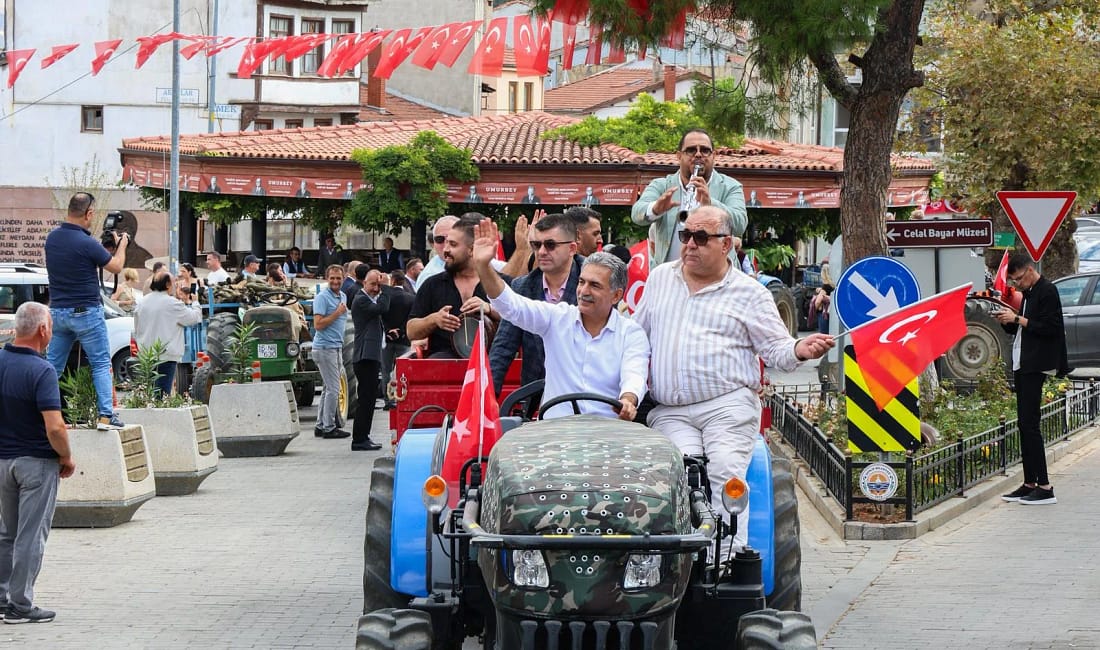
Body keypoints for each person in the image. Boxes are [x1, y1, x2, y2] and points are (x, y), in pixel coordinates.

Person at [634, 205, 833, 554]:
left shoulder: (750, 292)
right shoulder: (660, 278)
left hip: (727, 406)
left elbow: (776, 348)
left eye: (700, 237)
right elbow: (635, 338)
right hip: (671, 410)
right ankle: (680, 563)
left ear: (726, 244)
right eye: (685, 236)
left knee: (726, 474)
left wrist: (801, 348)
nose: (689, 245)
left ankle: (725, 563)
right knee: (680, 478)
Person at [474, 219, 649, 420]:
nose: (583, 291)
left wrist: (628, 400)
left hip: (608, 435)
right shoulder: (557, 318)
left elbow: (634, 374)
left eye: (595, 285)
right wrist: (484, 266)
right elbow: (511, 306)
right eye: (582, 282)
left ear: (616, 296)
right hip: (554, 434)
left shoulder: (631, 332)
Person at [0, 302, 75, 624]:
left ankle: (2, 599)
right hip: (35, 464)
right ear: (43, 329)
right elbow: (55, 426)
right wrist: (66, 456)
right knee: (31, 535)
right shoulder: (41, 370)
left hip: (2, 462)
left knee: (7, 534)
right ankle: (20, 604)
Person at [44, 192, 129, 431]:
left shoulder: (52, 239)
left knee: (52, 367)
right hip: (86, 312)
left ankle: (38, 413)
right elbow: (116, 266)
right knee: (101, 363)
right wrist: (121, 246)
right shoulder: (87, 243)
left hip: (58, 313)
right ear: (89, 213)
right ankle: (106, 416)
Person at [996, 253, 1070, 505]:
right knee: (1024, 425)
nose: (1016, 285)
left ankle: (1045, 487)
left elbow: (1051, 327)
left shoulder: (1047, 291)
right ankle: (1029, 483)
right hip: (1022, 362)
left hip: (1036, 364)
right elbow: (1022, 327)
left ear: (1029, 271)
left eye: (1017, 279)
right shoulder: (1028, 294)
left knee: (1031, 425)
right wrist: (1008, 318)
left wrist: (1018, 318)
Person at [489, 213, 583, 395]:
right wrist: (485, 401)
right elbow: (503, 348)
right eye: (536, 245)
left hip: (584, 395)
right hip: (535, 396)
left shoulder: (591, 281)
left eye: (550, 245)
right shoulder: (522, 286)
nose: (541, 252)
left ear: (572, 248)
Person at [631, 129, 747, 267]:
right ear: (679, 156)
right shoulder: (662, 185)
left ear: (713, 155)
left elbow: (740, 225)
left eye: (705, 150)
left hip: (717, 281)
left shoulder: (730, 186)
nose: (698, 154)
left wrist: (710, 204)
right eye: (691, 150)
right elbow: (636, 214)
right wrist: (655, 209)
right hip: (671, 278)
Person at [407, 214, 502, 358]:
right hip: (442, 369)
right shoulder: (432, 284)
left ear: (471, 250)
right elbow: (411, 331)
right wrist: (434, 320)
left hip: (493, 366)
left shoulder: (501, 284)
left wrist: (490, 309)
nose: (445, 249)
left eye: (453, 244)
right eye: (444, 243)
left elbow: (523, 320)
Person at [134, 271, 203, 396]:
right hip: (166, 355)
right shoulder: (172, 303)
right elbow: (194, 318)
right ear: (167, 285)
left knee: (150, 393)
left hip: (146, 354)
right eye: (174, 282)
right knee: (162, 393)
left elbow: (137, 328)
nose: (176, 285)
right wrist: (196, 303)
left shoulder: (142, 303)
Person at [350, 267, 389, 451]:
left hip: (369, 355)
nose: (376, 288)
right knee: (366, 400)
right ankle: (359, 439)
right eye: (373, 284)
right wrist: (387, 287)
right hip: (365, 356)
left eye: (378, 284)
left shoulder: (367, 299)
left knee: (369, 399)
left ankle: (362, 437)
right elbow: (382, 308)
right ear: (364, 282)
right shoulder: (361, 300)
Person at [312, 265, 351, 440]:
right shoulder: (322, 298)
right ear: (327, 278)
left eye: (338, 278)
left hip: (336, 347)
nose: (335, 281)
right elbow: (318, 325)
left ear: (343, 278)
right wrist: (337, 313)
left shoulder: (343, 296)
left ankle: (321, 425)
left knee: (329, 387)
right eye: (332, 278)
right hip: (324, 348)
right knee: (334, 389)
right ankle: (329, 427)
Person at [380, 269, 415, 410]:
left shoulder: (385, 297)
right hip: (404, 338)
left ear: (392, 280)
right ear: (403, 281)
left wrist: (389, 330)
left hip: (387, 339)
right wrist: (401, 331)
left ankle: (388, 400)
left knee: (386, 370)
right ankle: (402, 396)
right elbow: (411, 317)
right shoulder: (411, 298)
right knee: (402, 370)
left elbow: (381, 315)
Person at [415, 216, 458, 290]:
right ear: (433, 243)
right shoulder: (429, 277)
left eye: (451, 239)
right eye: (439, 239)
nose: (446, 245)